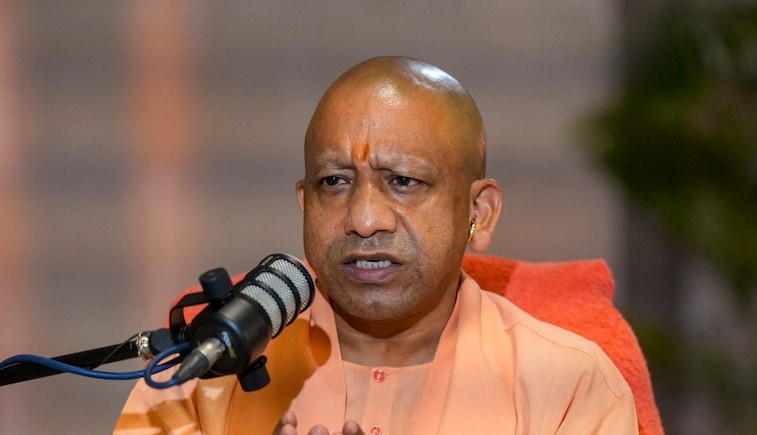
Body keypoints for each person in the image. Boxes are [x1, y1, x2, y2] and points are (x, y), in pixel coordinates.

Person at [114, 56, 638, 434]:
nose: (363, 220)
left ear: (478, 213)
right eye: (334, 182)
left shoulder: (565, 384)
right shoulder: (204, 371)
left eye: (403, 181)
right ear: (305, 203)